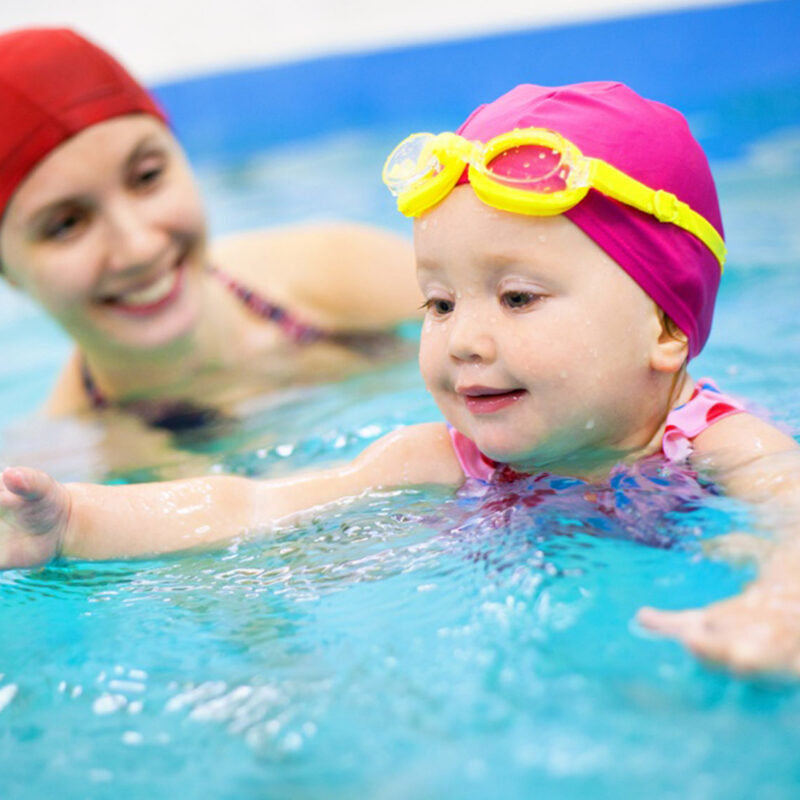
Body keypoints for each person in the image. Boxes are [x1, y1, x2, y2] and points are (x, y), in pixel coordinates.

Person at [2, 81, 799, 675]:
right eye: (440, 302)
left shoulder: (717, 445)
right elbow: (253, 505)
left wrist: (778, 606)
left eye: (518, 297)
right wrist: (73, 522)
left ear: (663, 326)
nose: (461, 340)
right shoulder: (445, 457)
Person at [0, 27, 422, 428]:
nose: (140, 247)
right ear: (7, 271)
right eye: (66, 224)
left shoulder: (344, 272)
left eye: (147, 177)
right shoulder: (64, 471)